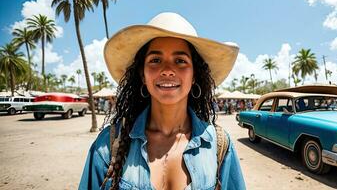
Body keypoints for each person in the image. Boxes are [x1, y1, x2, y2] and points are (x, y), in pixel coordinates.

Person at [79, 12, 245, 190]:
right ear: (142, 75)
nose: (167, 70)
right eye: (155, 60)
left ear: (195, 75)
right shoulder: (108, 145)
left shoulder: (219, 146)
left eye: (180, 60)